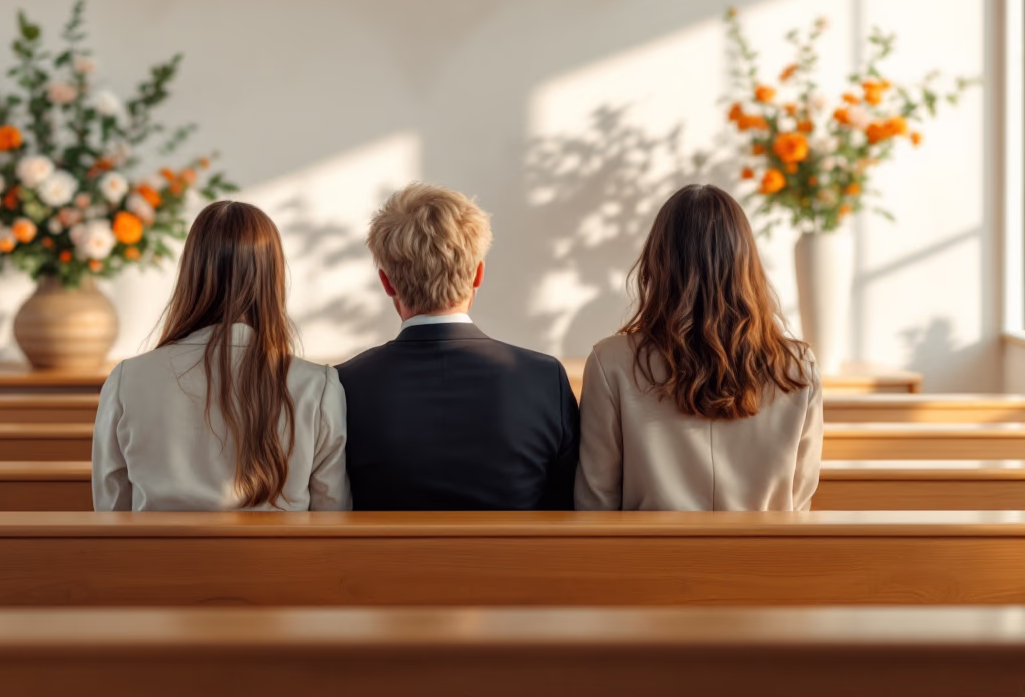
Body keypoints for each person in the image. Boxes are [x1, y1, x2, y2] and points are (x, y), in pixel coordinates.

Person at [575, 184, 822, 511]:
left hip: (647, 560)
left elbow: (595, 503)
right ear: (747, 263)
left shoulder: (610, 363)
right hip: (765, 559)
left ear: (657, 263)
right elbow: (799, 499)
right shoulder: (797, 366)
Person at [92, 200, 350, 511]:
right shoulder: (318, 386)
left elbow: (111, 514)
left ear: (191, 272)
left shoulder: (127, 380)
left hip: (157, 560)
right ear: (272, 278)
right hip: (277, 561)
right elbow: (332, 520)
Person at [338, 182, 580, 510]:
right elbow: (567, 504)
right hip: (514, 562)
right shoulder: (544, 378)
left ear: (387, 282)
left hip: (383, 563)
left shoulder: (344, 384)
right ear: (478, 274)